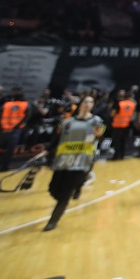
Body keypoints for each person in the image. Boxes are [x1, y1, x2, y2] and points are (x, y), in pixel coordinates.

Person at [44, 94, 105, 231]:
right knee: (53, 189)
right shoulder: (68, 121)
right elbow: (57, 138)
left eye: (91, 102)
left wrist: (97, 136)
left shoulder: (96, 121)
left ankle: (53, 221)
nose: (88, 104)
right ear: (80, 104)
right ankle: (78, 185)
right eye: (85, 102)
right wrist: (47, 151)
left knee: (65, 194)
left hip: (81, 161)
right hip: (63, 160)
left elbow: (98, 137)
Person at [109, 89, 136, 160]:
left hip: (117, 125)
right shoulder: (132, 104)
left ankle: (116, 156)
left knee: (116, 142)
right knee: (123, 141)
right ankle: (122, 155)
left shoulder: (119, 104)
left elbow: (112, 114)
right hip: (126, 125)